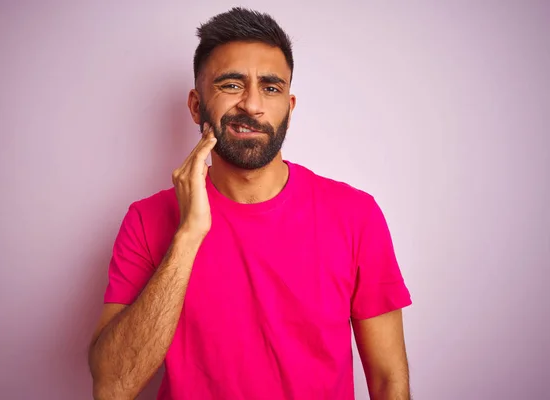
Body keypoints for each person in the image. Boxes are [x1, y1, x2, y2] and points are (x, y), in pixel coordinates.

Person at [88, 7, 412, 400]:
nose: (252, 105)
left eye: (271, 88)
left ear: (289, 109)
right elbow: (112, 386)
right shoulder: (146, 220)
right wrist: (188, 236)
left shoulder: (355, 216)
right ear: (195, 105)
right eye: (231, 84)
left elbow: (388, 382)